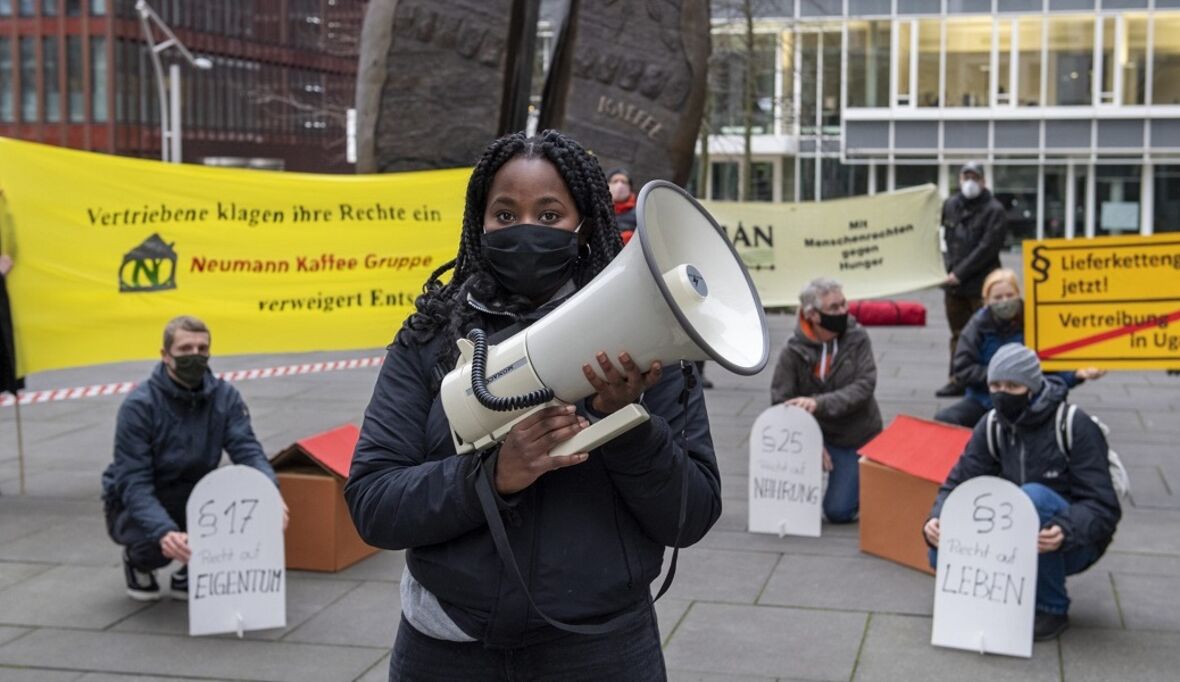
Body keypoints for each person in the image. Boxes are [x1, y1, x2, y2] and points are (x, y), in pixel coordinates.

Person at [345, 130, 720, 680]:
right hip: (450, 647)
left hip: (602, 648)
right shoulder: (432, 337)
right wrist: (492, 477)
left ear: (584, 224)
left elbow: (692, 514)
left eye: (549, 215)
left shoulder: (646, 343)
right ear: (480, 224)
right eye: (505, 215)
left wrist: (628, 426)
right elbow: (373, 502)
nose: (525, 229)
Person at [924, 344, 1121, 641]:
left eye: (1012, 386)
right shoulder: (991, 424)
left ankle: (1051, 608)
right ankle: (997, 597)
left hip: (1074, 540)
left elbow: (1104, 507)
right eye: (996, 386)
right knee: (938, 552)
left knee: (1033, 499)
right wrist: (936, 519)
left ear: (1032, 387)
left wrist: (1066, 530)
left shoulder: (1073, 424)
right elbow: (958, 483)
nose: (1002, 393)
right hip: (1014, 533)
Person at [101, 316, 286, 602]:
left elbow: (247, 450)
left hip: (195, 490)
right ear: (165, 355)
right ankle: (138, 562)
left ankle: (195, 569)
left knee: (241, 505)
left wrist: (270, 493)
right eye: (185, 349)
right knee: (155, 543)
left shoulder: (225, 397)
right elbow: (133, 481)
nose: (195, 355)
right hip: (145, 493)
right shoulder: (139, 406)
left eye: (202, 348)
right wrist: (163, 532)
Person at [770, 277, 882, 523]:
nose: (843, 311)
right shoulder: (792, 350)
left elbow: (864, 386)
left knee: (838, 512)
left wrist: (818, 403)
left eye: (843, 304)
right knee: (791, 509)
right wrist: (808, 441)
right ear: (813, 315)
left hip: (855, 436)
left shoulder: (857, 337)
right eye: (834, 307)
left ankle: (866, 479)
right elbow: (780, 399)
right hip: (812, 435)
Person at [933, 268, 1104, 427]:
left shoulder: (1035, 323)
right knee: (945, 420)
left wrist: (1077, 374)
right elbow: (963, 370)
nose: (1004, 301)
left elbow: (1052, 368)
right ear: (986, 301)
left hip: (1028, 401)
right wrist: (1002, 379)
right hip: (984, 399)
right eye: (998, 298)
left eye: (1009, 295)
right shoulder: (976, 327)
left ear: (1018, 295)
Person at [936, 162, 1007, 398]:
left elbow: (987, 248)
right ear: (959, 180)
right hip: (954, 286)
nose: (970, 182)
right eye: (966, 177)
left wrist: (960, 273)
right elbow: (942, 238)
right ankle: (957, 378)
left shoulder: (994, 210)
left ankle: (989, 379)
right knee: (958, 334)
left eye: (975, 177)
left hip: (982, 285)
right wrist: (945, 270)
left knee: (986, 332)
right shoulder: (950, 205)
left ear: (983, 181)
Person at [606, 167, 638, 243]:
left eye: (624, 182)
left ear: (630, 187)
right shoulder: (598, 210)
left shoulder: (639, 214)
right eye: (615, 181)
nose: (619, 185)